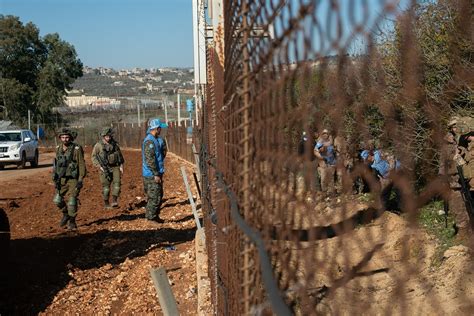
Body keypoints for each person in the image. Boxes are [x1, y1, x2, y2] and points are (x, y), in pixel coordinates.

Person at [52, 128, 86, 229]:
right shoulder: (58, 148)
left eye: (67, 137)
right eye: (62, 137)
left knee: (72, 201)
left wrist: (80, 179)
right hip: (62, 179)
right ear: (60, 138)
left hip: (73, 179)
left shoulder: (76, 148)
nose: (65, 139)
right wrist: (55, 177)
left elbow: (81, 164)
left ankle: (72, 221)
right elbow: (57, 164)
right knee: (57, 200)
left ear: (70, 138)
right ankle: (66, 214)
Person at [91, 127, 125, 208]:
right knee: (106, 187)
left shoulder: (115, 144)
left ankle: (114, 201)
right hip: (104, 168)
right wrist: (99, 166)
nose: (108, 138)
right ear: (103, 136)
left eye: (109, 136)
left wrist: (121, 166)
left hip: (115, 166)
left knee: (117, 184)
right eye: (106, 136)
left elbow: (120, 156)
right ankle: (106, 203)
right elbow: (93, 157)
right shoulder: (98, 145)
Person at [142, 118, 167, 222]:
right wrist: (156, 174)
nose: (161, 130)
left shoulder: (157, 139)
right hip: (151, 174)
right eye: (160, 128)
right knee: (154, 197)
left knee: (158, 195)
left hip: (156, 172)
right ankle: (150, 218)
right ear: (157, 128)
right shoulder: (149, 141)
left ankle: (154, 216)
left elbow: (162, 153)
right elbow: (150, 160)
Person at [314, 129, 336, 195]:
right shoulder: (320, 142)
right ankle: (324, 192)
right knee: (323, 178)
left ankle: (331, 192)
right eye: (324, 133)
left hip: (331, 163)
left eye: (326, 133)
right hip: (323, 163)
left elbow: (334, 151)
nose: (325, 135)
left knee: (331, 178)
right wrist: (321, 158)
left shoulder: (331, 141)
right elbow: (315, 151)